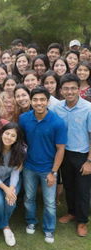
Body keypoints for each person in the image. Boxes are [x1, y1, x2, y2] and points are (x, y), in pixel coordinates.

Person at [19, 86, 67, 244]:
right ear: (31, 101)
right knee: (29, 198)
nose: (38, 103)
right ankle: (31, 221)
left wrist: (53, 172)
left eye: (42, 100)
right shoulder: (24, 119)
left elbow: (60, 150)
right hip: (29, 167)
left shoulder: (58, 123)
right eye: (35, 100)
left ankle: (49, 229)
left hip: (48, 169)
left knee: (50, 202)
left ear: (48, 101)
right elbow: (22, 142)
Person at [53, 73, 91, 237]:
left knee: (83, 190)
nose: (69, 92)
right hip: (63, 153)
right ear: (61, 90)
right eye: (66, 89)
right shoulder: (57, 107)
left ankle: (82, 221)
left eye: (73, 88)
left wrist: (89, 161)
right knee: (69, 186)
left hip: (82, 155)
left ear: (78, 90)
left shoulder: (88, 108)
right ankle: (72, 212)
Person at [0, 123, 25, 246]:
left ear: (17, 139)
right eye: (7, 133)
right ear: (2, 133)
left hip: (10, 180)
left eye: (13, 136)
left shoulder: (21, 151)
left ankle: (2, 224)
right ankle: (6, 227)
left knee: (10, 202)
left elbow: (15, 172)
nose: (9, 137)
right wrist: (5, 189)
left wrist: (11, 188)